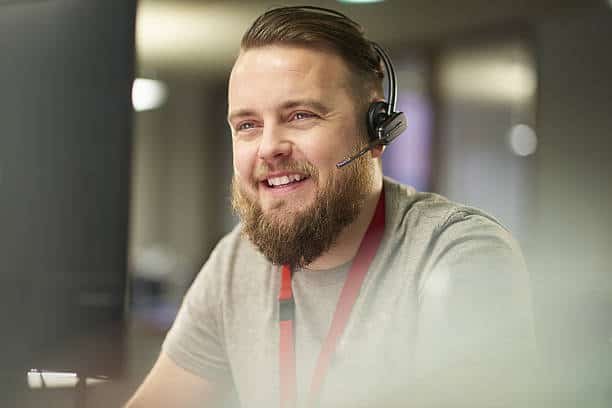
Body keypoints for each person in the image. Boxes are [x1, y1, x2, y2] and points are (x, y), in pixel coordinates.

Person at [126, 6, 538, 408]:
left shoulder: (460, 254)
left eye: (301, 115)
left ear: (375, 131)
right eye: (248, 125)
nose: (269, 148)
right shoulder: (236, 262)